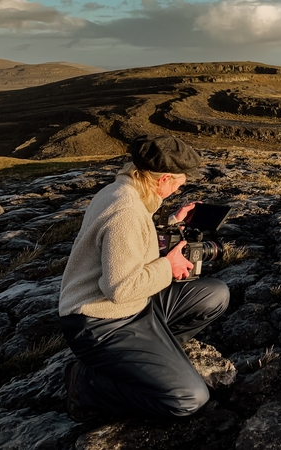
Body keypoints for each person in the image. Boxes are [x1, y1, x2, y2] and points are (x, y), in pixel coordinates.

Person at [58, 134, 229, 422]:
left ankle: (154, 357)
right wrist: (168, 267)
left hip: (137, 307)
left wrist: (174, 220)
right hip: (102, 322)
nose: (180, 187)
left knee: (215, 294)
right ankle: (87, 385)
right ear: (163, 180)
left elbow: (135, 234)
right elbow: (119, 289)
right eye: (179, 181)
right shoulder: (125, 211)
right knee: (189, 399)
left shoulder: (123, 191)